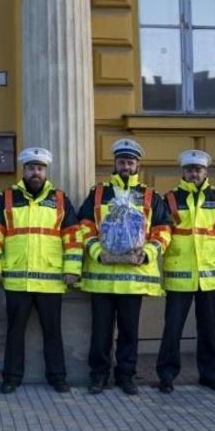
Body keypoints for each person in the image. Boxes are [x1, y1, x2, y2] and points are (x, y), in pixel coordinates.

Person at [0, 147, 82, 395]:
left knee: (53, 332)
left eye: (39, 168)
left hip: (50, 280)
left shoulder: (60, 199)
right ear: (23, 170)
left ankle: (58, 377)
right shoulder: (6, 198)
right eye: (30, 168)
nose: (35, 172)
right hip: (16, 280)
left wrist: (73, 270)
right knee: (14, 333)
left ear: (45, 171)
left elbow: (72, 237)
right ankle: (11, 378)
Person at [77, 139, 171, 396]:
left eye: (130, 162)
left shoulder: (150, 196)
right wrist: (98, 253)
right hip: (102, 276)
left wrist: (147, 254)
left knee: (130, 332)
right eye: (122, 162)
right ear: (115, 164)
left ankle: (126, 376)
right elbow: (84, 227)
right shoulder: (98, 193)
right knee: (100, 334)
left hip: (133, 277)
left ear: (138, 165)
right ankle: (98, 376)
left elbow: (163, 231)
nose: (126, 166)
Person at [155, 150, 215, 394]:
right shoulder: (170, 198)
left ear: (205, 172)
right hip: (180, 275)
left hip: (210, 277)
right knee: (172, 330)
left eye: (198, 169)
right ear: (183, 172)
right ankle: (167, 376)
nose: (194, 173)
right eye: (189, 169)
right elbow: (164, 231)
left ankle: (210, 375)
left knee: (208, 330)